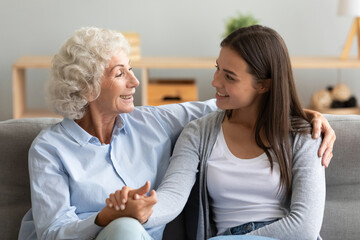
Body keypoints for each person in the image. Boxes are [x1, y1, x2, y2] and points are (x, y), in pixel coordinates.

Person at [18, 26, 334, 240]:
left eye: (131, 68)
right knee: (125, 228)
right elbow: (53, 232)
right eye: (120, 73)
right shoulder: (50, 148)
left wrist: (298, 113)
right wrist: (112, 217)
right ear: (86, 87)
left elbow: (226, 102)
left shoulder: (153, 122)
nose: (134, 81)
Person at [111, 25, 329, 240]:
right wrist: (142, 209)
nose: (215, 81)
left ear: (263, 85)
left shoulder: (305, 136)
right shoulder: (198, 133)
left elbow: (304, 227)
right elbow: (173, 197)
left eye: (230, 77)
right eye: (217, 68)